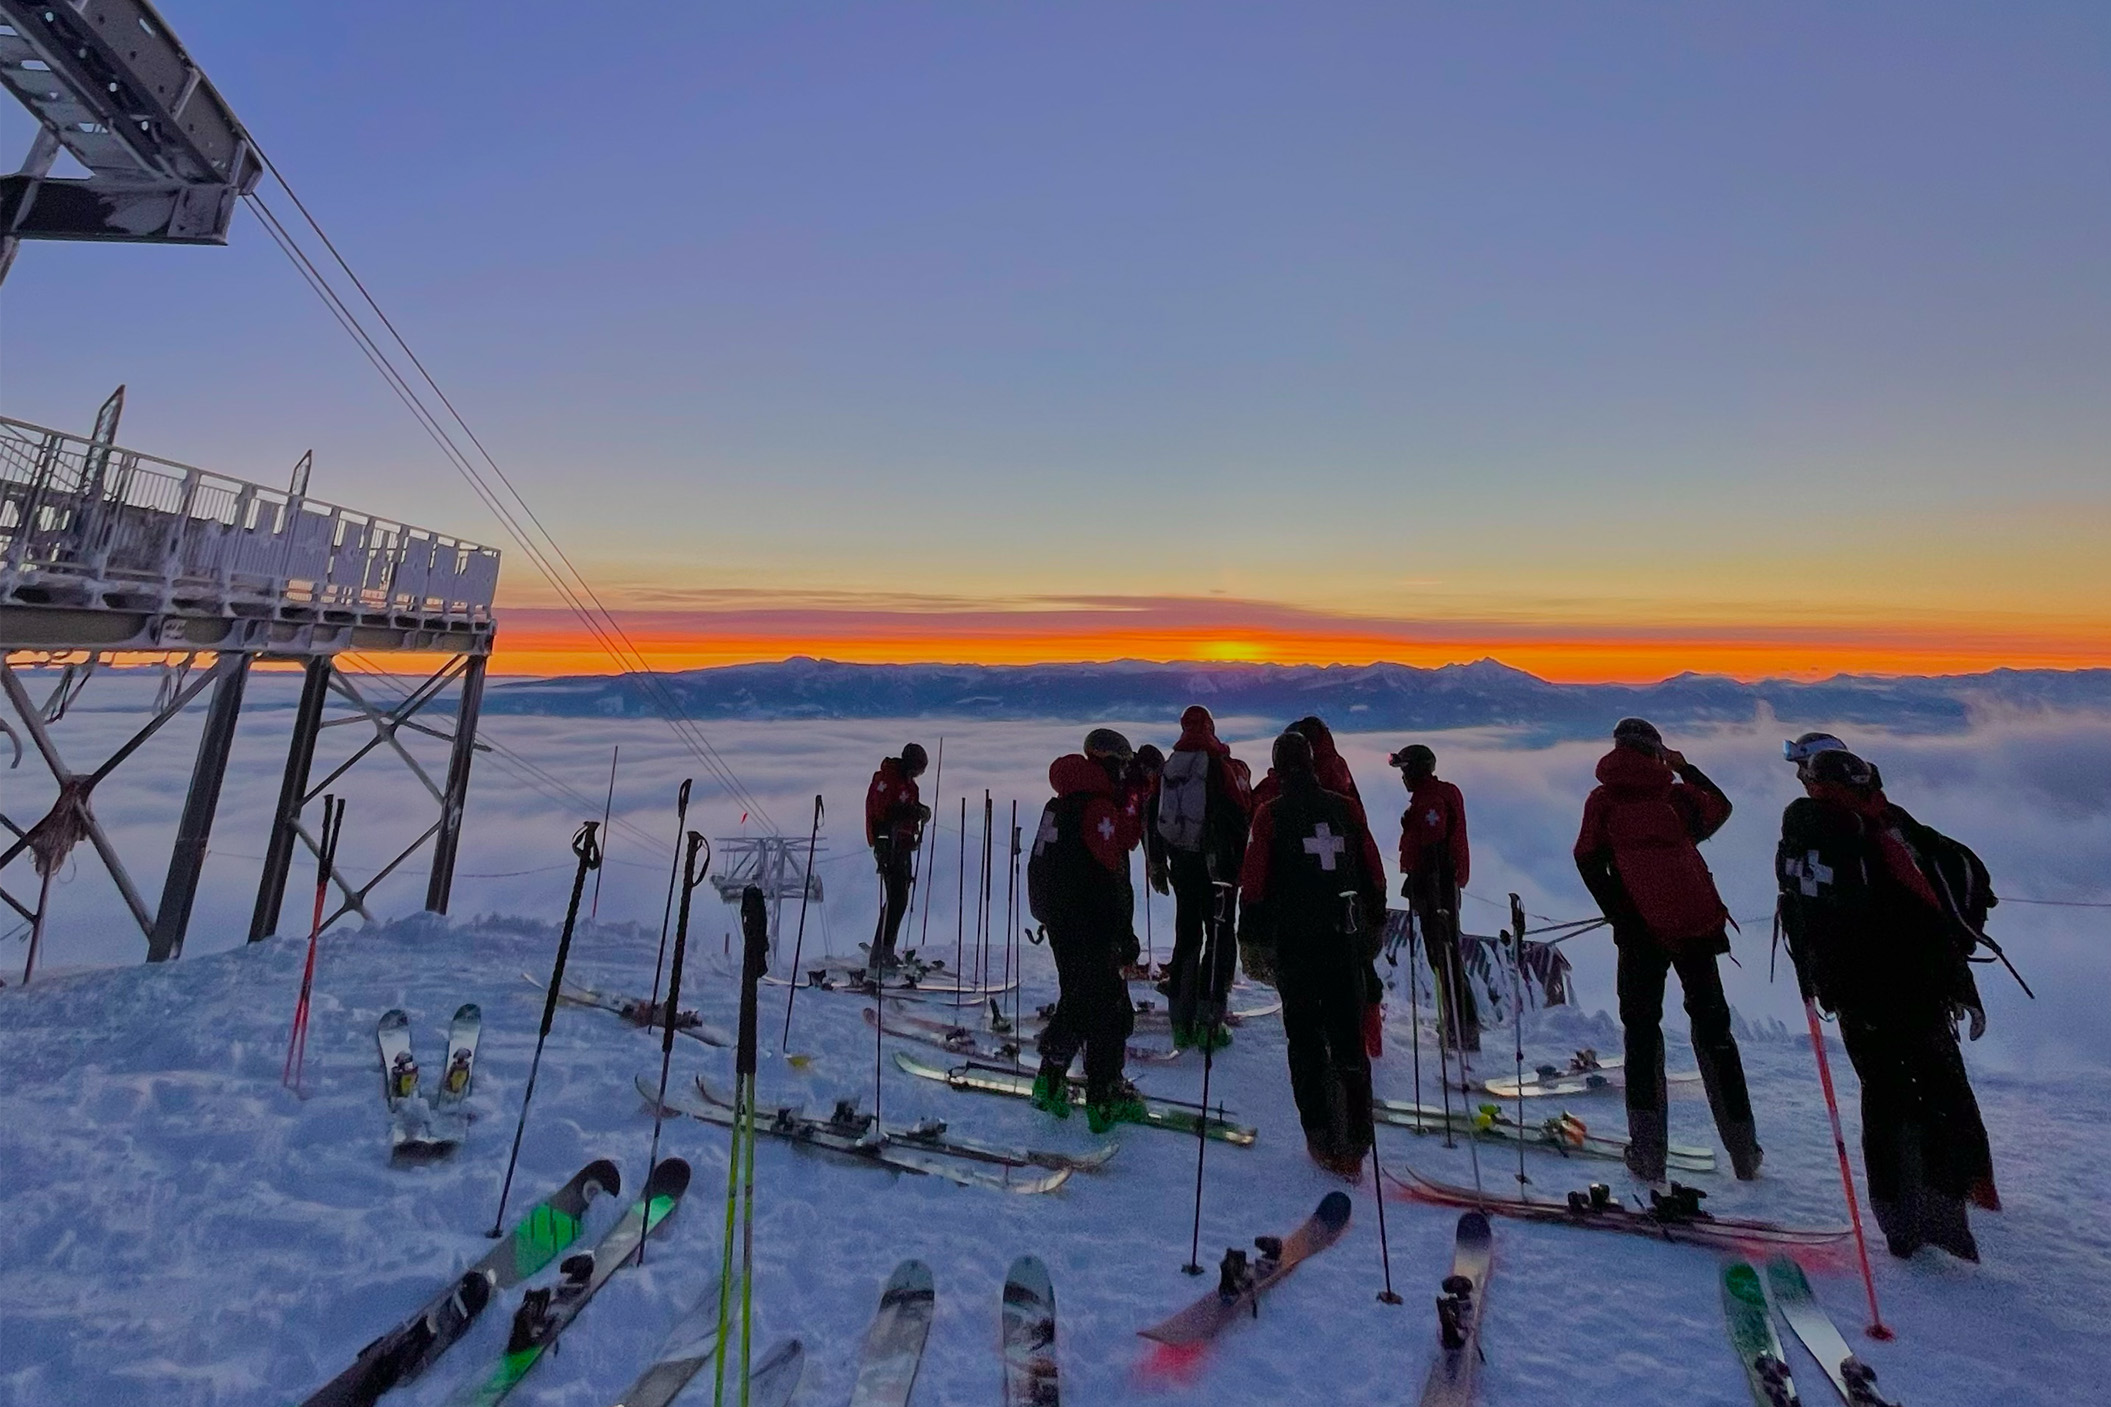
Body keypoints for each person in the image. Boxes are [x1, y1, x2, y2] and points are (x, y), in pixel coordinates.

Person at [1776, 740, 1998, 1260]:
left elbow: (1799, 913)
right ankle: (1952, 1206)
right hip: (1909, 988)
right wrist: (1955, 981)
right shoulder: (1882, 835)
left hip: (1851, 994)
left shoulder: (1800, 836)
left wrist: (1812, 976)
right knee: (1938, 1089)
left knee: (1884, 1096)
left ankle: (1899, 1223)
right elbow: (1928, 917)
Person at [1573, 717, 1761, 1181]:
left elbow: (1586, 859)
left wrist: (1621, 915)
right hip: (1695, 925)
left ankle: (1649, 1153)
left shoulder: (1603, 801)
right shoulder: (1676, 797)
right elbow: (1721, 807)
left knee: (1641, 1034)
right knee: (1714, 1032)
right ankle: (1743, 1150)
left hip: (1640, 934)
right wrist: (1686, 767)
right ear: (1656, 751)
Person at [1238, 731, 1389, 1179]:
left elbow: (1255, 884)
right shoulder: (1344, 808)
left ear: (1279, 768)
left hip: (1297, 945)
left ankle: (1322, 1136)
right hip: (1345, 939)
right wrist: (1371, 925)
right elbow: (1373, 873)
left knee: (1304, 1041)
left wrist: (1251, 940)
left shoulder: (1270, 815)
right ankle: (1356, 1142)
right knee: (1348, 1041)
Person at [1026, 728, 1152, 1132]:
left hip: (1062, 921)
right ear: (1110, 764)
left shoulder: (1059, 804)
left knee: (1080, 999)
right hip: (1093, 924)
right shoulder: (1097, 809)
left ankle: (1051, 1079)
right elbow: (1112, 867)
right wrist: (1123, 935)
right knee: (1109, 1009)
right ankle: (1104, 1093)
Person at [1144, 706, 1254, 1050]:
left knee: (1187, 936)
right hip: (1217, 870)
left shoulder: (1169, 767)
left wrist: (1157, 864)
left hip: (1182, 865)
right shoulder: (1220, 767)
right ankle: (1211, 1020)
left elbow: (1152, 817)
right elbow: (1240, 815)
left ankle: (1181, 1020)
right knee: (1220, 937)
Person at [1388, 743, 1477, 1052]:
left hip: (1436, 890)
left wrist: (1425, 888)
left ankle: (1461, 1029)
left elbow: (1434, 850)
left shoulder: (1430, 801)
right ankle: (1460, 1024)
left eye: (1404, 769)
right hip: (1440, 888)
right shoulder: (1438, 794)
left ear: (1416, 769)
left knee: (1444, 955)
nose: (1402, 777)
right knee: (1445, 956)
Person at [863, 742, 931, 970]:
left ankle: (884, 950)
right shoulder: (888, 779)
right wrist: (912, 812)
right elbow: (884, 811)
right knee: (896, 899)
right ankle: (880, 954)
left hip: (903, 845)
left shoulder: (908, 784)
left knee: (898, 900)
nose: (918, 775)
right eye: (918, 770)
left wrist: (921, 811)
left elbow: (907, 805)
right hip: (888, 846)